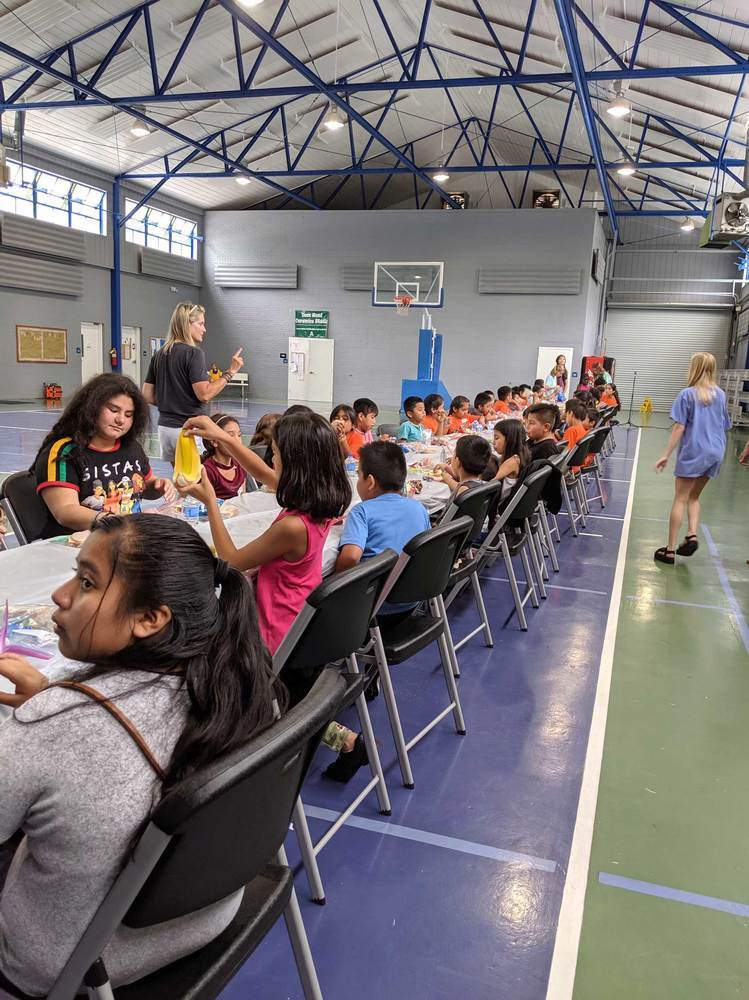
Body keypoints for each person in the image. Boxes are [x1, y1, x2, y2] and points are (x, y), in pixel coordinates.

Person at [0, 516, 283, 996]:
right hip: (208, 913)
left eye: (87, 582)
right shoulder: (245, 690)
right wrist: (53, 700)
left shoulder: (50, 728)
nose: (61, 595)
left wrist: (48, 714)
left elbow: (75, 748)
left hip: (73, 963)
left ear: (152, 618)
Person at [178, 412, 351, 654]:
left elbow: (232, 561)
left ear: (295, 463)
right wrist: (222, 437)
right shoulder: (319, 500)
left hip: (274, 632)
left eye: (276, 454)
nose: (272, 461)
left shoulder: (293, 527)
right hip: (298, 615)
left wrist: (210, 503)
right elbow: (259, 472)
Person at [330, 442, 431, 782]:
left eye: (357, 476)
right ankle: (368, 674)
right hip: (408, 605)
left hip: (374, 610)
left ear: (369, 482)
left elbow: (350, 558)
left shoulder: (363, 511)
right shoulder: (417, 509)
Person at [32, 374, 174, 539]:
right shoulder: (64, 452)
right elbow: (65, 511)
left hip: (125, 540)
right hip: (78, 545)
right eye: (113, 410)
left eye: (128, 415)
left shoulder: (132, 447)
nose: (120, 420)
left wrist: (157, 486)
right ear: (92, 407)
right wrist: (110, 521)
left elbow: (143, 487)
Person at [654, 352, 732, 565]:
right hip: (716, 451)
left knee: (680, 498)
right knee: (694, 497)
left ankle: (669, 550)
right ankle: (691, 534)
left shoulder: (687, 395)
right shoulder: (721, 395)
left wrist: (665, 455)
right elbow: (725, 425)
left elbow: (680, 427)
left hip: (694, 451)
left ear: (693, 368)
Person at [142, 302, 244, 464]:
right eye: (201, 324)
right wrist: (230, 372)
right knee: (198, 482)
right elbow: (204, 394)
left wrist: (171, 403)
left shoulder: (160, 354)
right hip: (189, 430)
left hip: (165, 429)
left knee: (182, 481)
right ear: (187, 324)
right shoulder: (193, 353)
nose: (204, 329)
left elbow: (147, 394)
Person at [201, 414, 246, 500]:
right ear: (214, 441)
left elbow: (243, 497)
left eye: (239, 435)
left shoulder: (241, 466)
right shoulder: (207, 471)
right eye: (231, 435)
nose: (238, 441)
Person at [435, 434, 492, 501]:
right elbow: (462, 477)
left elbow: (460, 488)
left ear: (458, 461)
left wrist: (448, 480)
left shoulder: (464, 492)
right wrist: (447, 468)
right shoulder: (484, 485)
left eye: (454, 454)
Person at [492, 419, 530, 499]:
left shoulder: (512, 462)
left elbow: (490, 485)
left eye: (497, 438)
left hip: (499, 506)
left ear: (509, 439)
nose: (493, 442)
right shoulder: (522, 454)